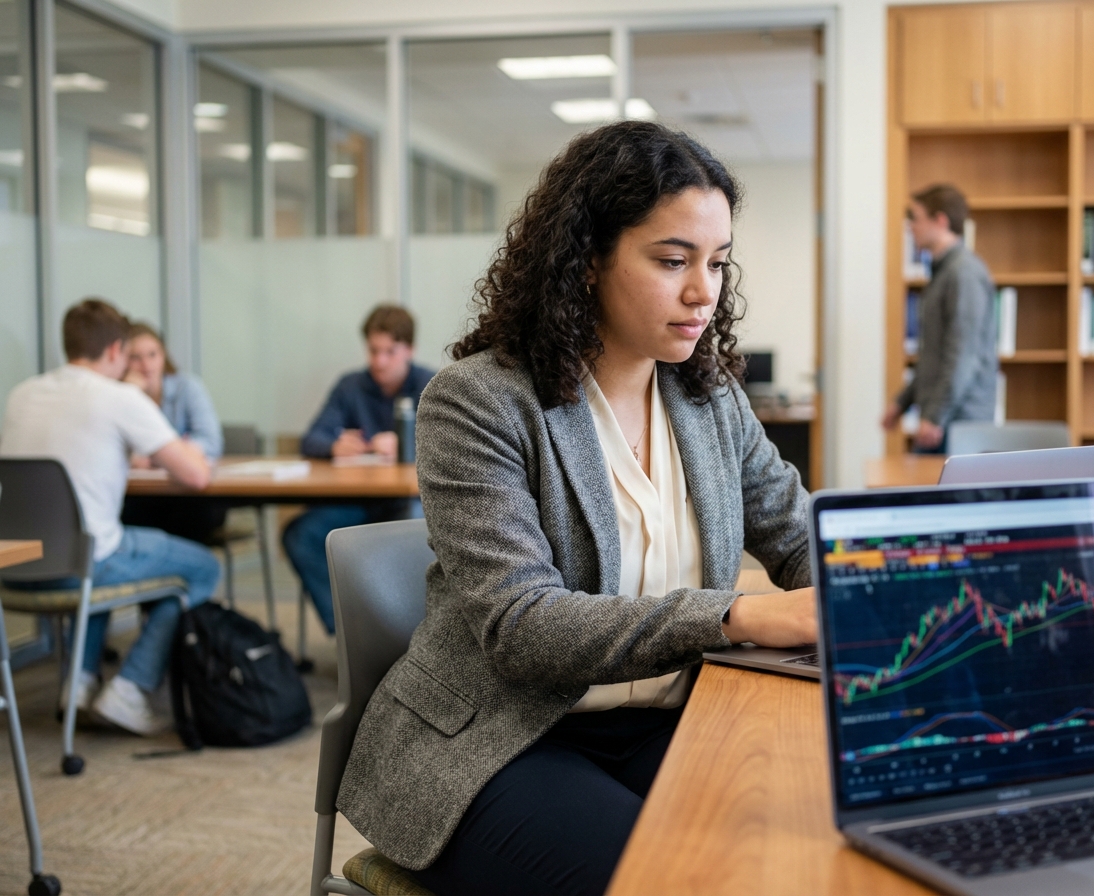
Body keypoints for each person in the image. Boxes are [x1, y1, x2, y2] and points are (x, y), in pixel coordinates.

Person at [337, 121, 816, 896]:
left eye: (718, 263)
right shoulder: (479, 401)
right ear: (586, 260)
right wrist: (737, 616)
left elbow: (799, 534)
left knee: (792, 843)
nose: (704, 292)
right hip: (501, 739)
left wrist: (896, 578)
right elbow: (522, 626)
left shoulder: (709, 396)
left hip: (666, 717)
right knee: (672, 882)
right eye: (672, 261)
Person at [0, 299, 220, 736]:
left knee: (95, 546)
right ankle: (130, 688)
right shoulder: (120, 397)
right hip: (84, 564)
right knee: (201, 567)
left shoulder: (21, 394)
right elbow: (196, 474)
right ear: (117, 350)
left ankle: (77, 685)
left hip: (16, 565)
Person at [282, 305, 435, 636]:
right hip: (354, 503)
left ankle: (398, 634)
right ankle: (350, 634)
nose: (379, 361)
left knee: (414, 539)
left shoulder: (432, 385)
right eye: (373, 351)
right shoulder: (350, 387)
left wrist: (407, 441)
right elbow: (312, 439)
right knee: (300, 535)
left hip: (405, 503)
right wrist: (335, 446)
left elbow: (452, 443)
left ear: (409, 350)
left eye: (390, 352)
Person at [881, 183, 998, 453]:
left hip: (959, 424)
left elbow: (962, 354)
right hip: (946, 419)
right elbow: (933, 356)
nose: (910, 227)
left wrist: (934, 416)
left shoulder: (963, 274)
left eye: (916, 218)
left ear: (940, 221)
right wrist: (902, 402)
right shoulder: (943, 273)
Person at [120, 322, 228, 543]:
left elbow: (211, 441)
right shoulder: (120, 396)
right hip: (139, 496)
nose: (146, 365)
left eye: (152, 355)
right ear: (123, 362)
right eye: (135, 357)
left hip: (188, 493)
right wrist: (131, 396)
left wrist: (158, 457)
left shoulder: (187, 387)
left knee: (196, 515)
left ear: (163, 356)